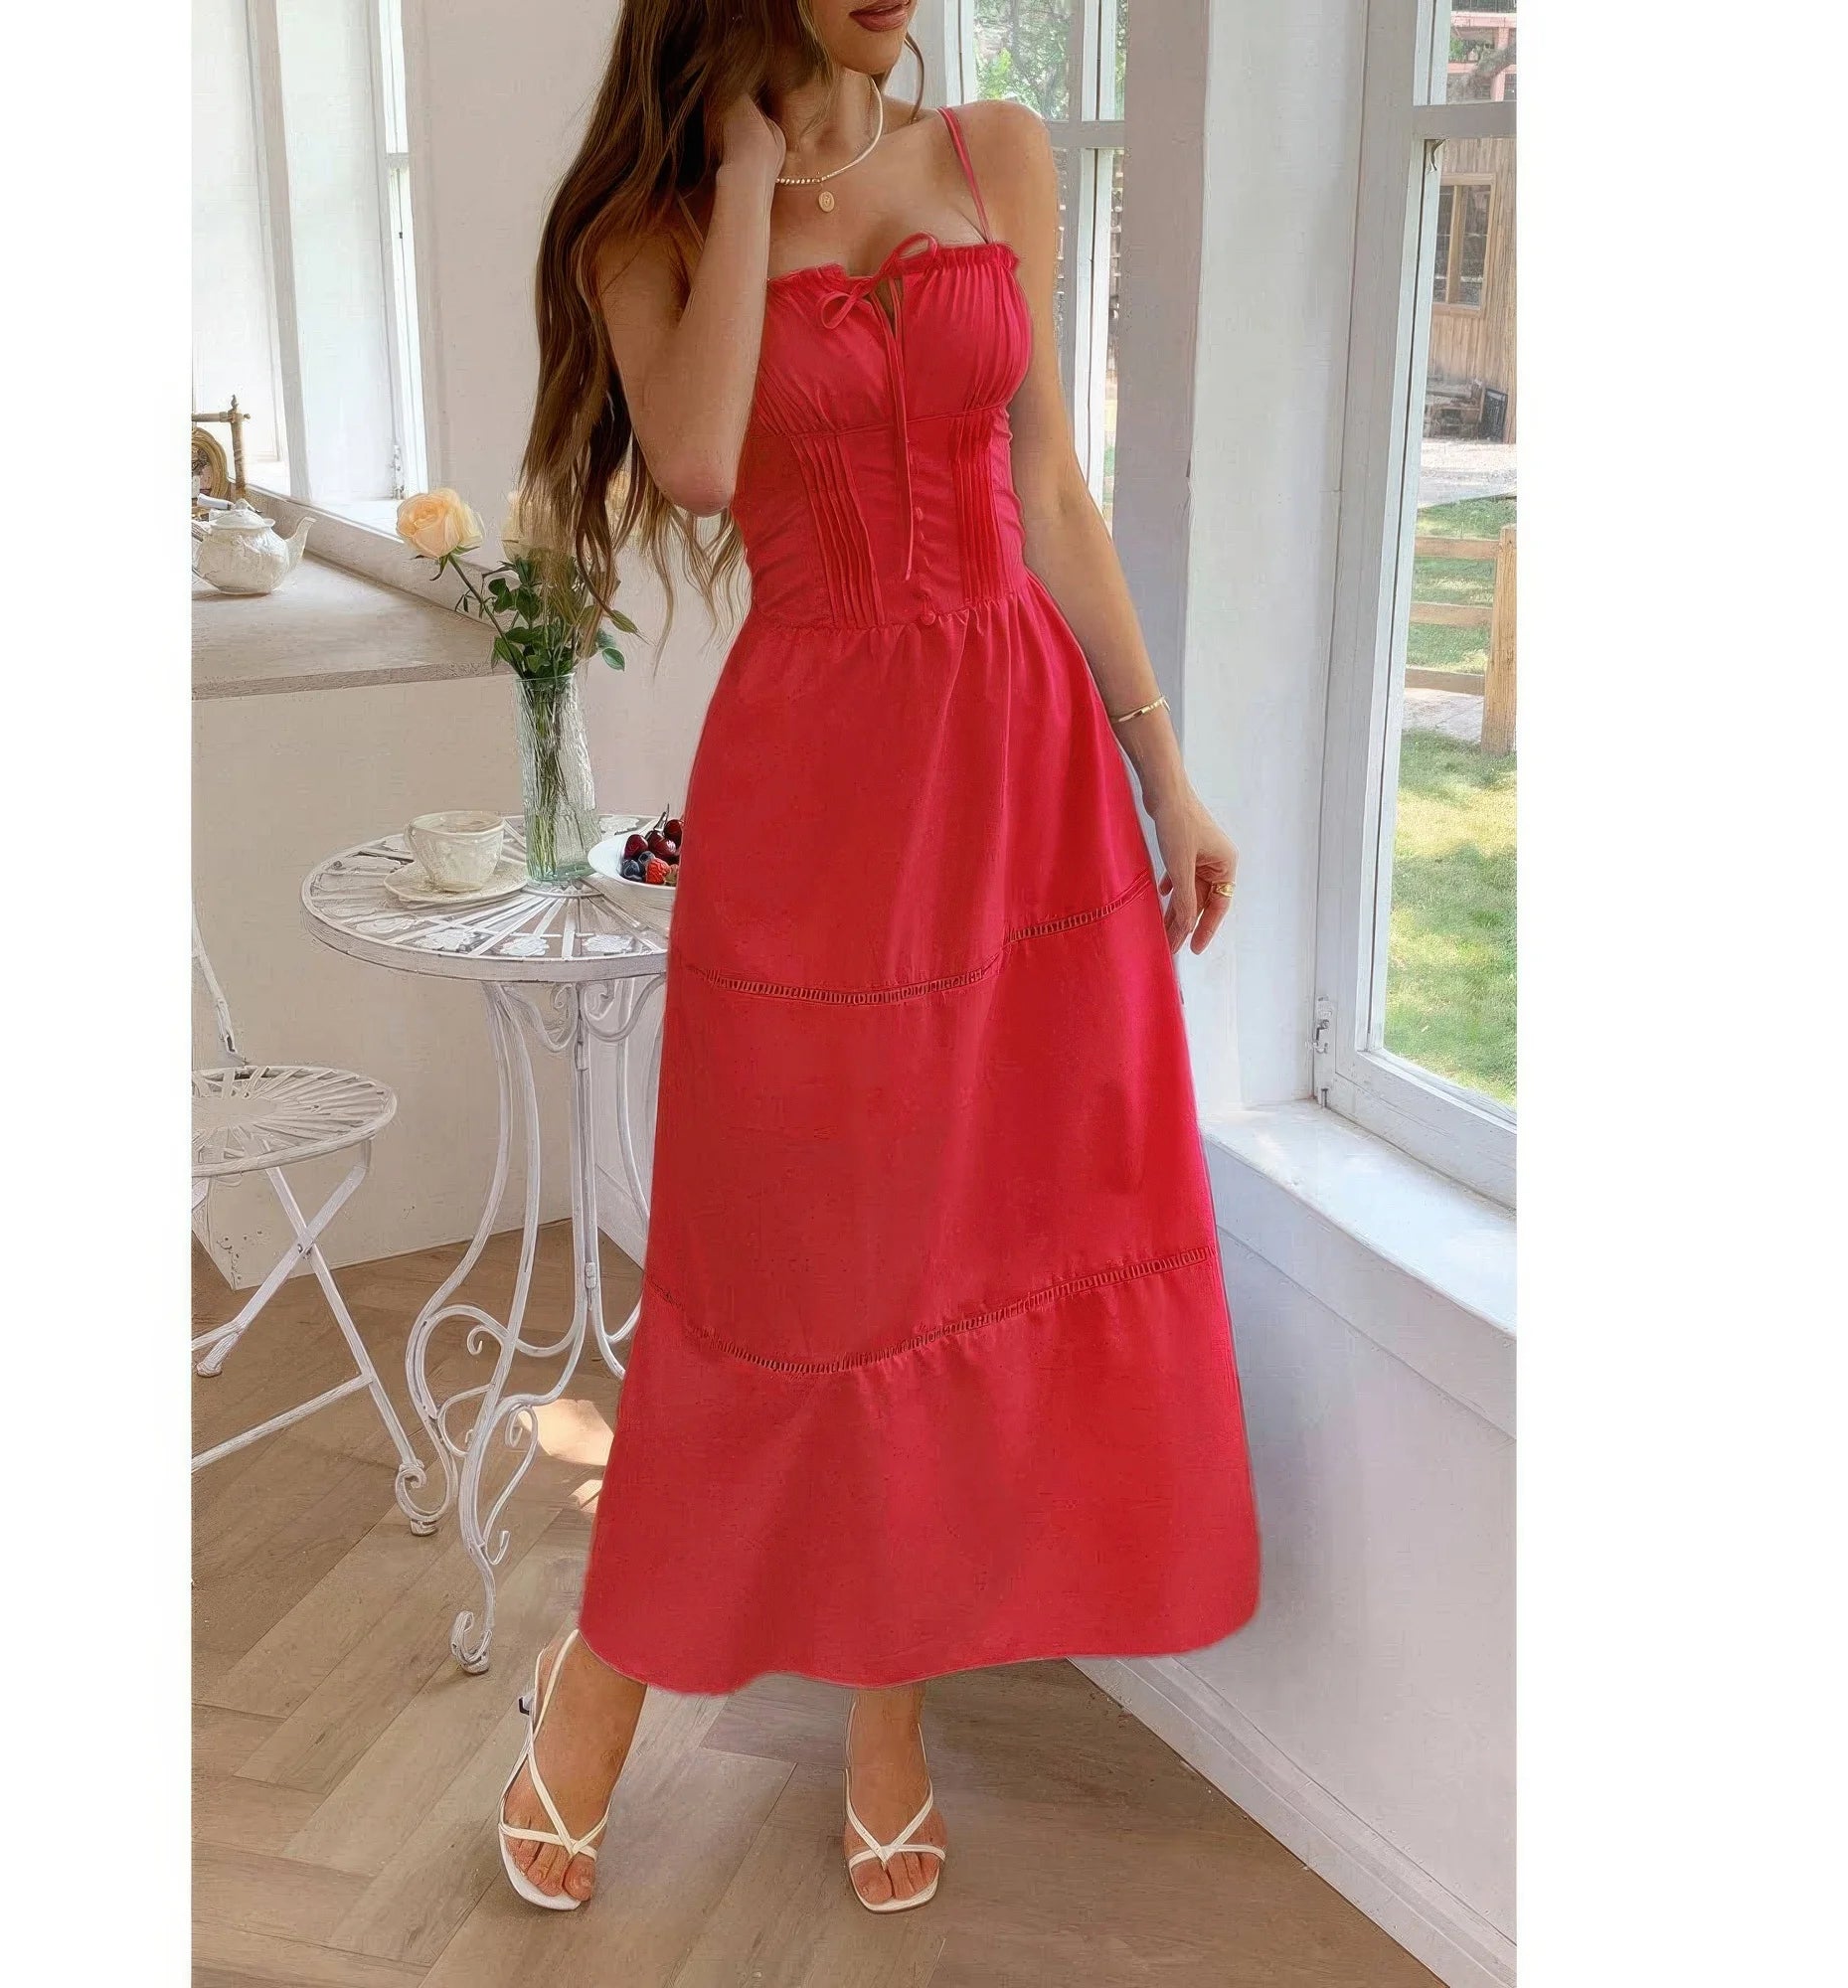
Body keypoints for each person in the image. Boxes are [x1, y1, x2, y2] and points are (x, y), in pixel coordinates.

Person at [496, 0, 1260, 1915]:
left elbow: (1054, 495)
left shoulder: (997, 154)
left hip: (1022, 779)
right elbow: (686, 462)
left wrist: (1165, 769)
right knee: (792, 1273)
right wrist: (756, 172)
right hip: (821, 802)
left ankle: (891, 1719)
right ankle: (599, 1695)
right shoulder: (652, 225)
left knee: (952, 1257)